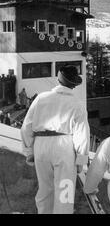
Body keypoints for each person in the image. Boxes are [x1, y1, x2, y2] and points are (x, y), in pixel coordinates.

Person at [21, 65, 90, 214]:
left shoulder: (41, 98)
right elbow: (82, 135)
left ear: (58, 80)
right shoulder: (77, 105)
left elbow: (26, 126)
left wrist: (29, 151)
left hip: (41, 146)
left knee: (45, 190)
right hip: (64, 147)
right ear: (74, 85)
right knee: (65, 192)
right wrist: (81, 162)